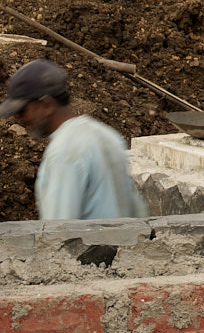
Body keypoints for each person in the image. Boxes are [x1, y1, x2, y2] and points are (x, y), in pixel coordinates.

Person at [1, 59, 148, 221]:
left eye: (23, 111)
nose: (20, 119)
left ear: (45, 105)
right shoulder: (106, 134)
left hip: (92, 245)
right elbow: (136, 210)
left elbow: (58, 233)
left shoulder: (64, 153)